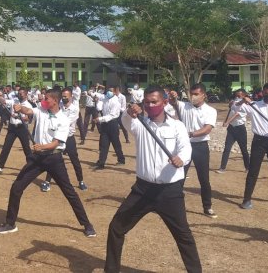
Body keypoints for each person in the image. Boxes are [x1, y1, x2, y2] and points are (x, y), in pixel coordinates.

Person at [105, 85, 202, 273]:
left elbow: (185, 149)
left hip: (169, 192)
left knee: (183, 236)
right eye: (147, 102)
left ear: (164, 102)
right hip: (142, 190)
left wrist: (181, 159)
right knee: (116, 228)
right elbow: (125, 121)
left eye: (154, 102)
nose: (150, 105)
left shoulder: (177, 126)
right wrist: (129, 111)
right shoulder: (139, 124)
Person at [0, 89, 96, 238]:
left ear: (55, 100)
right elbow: (29, 110)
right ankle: (10, 223)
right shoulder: (41, 109)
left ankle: (87, 224)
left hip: (54, 159)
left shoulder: (63, 119)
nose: (43, 100)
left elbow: (56, 143)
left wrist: (41, 146)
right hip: (37, 159)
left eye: (46, 98)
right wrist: (20, 108)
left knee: (69, 193)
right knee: (17, 187)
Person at [170, 83, 218, 218]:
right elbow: (174, 102)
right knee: (179, 176)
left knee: (204, 178)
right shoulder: (184, 106)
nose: (193, 97)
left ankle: (207, 206)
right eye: (192, 94)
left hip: (200, 146)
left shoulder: (210, 110)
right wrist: (173, 97)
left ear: (204, 95)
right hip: (184, 146)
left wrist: (190, 134)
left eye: (196, 94)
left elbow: (207, 129)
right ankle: (174, 205)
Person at [41, 87, 88, 191]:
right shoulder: (59, 106)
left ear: (71, 97)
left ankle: (81, 181)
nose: (63, 98)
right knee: (53, 159)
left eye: (66, 97)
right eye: (62, 97)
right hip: (57, 138)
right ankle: (47, 181)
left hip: (69, 139)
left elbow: (65, 121)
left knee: (74, 160)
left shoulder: (75, 109)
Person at [0, 88, 33, 175]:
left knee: (26, 148)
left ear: (26, 94)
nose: (20, 95)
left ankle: (31, 166)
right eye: (19, 93)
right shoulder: (14, 101)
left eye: (22, 93)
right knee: (6, 146)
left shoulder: (28, 105)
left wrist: (18, 117)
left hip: (22, 128)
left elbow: (28, 118)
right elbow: (4, 101)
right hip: (12, 128)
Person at [93, 86, 125, 170]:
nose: (108, 92)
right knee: (104, 144)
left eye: (111, 91)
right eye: (108, 91)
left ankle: (121, 159)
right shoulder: (105, 98)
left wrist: (99, 119)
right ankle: (101, 162)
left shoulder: (116, 102)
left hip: (112, 124)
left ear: (115, 92)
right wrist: (97, 101)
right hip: (104, 124)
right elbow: (99, 107)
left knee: (116, 144)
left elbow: (112, 115)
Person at [218, 89, 250, 173]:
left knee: (243, 149)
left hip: (240, 129)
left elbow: (236, 114)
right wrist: (225, 121)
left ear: (244, 96)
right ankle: (222, 167)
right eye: (236, 95)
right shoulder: (234, 103)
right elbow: (231, 111)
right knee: (227, 148)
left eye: (239, 96)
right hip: (231, 128)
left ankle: (248, 167)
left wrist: (227, 122)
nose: (237, 97)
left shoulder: (245, 106)